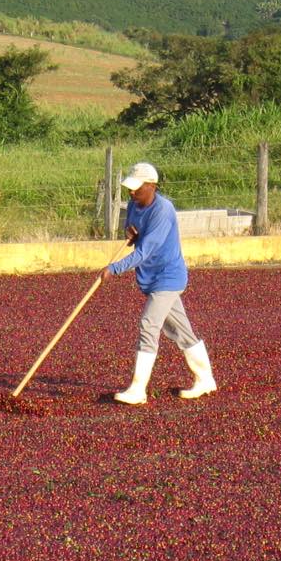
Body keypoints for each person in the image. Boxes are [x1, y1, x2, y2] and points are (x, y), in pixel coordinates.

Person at [101, 162, 217, 405]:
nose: (132, 193)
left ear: (152, 186)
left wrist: (115, 268)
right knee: (181, 330)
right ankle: (205, 379)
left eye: (137, 188)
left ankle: (137, 389)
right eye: (130, 189)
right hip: (151, 277)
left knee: (148, 324)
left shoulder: (163, 211)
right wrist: (129, 232)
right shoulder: (134, 204)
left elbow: (145, 251)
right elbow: (133, 231)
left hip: (168, 277)